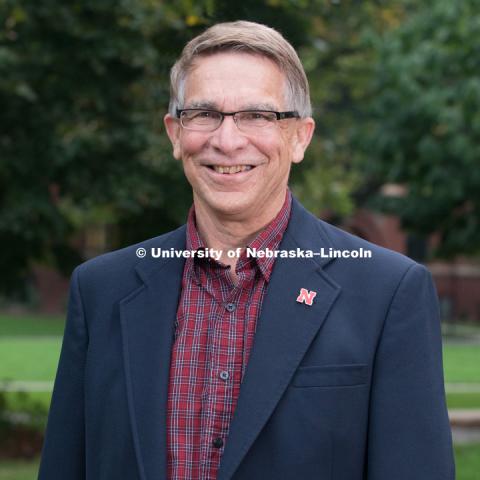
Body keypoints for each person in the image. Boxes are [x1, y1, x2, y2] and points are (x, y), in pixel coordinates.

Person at [39, 20, 455, 480]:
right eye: (203, 113)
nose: (227, 139)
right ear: (175, 133)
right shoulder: (101, 291)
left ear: (300, 137)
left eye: (258, 115)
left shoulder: (387, 293)